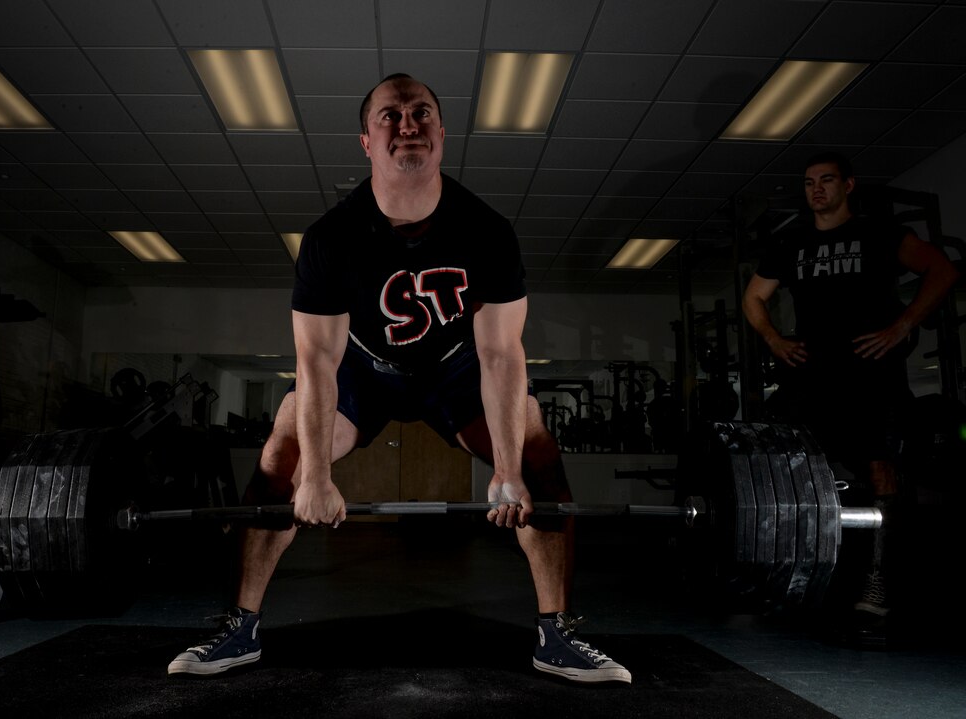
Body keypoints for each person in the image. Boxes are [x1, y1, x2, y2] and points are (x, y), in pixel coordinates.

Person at [167, 74, 631, 684]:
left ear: (442, 134)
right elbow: (317, 364)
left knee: (538, 444)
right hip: (365, 371)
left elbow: (500, 356)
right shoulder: (332, 238)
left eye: (422, 114)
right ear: (366, 139)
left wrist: (510, 472)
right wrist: (315, 476)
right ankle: (240, 627)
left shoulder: (487, 231)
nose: (407, 124)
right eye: (391, 115)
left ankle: (557, 634)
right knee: (286, 442)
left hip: (456, 370)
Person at [742, 151, 959, 634]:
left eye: (826, 180)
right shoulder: (792, 243)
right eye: (809, 182)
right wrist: (775, 339)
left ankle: (878, 583)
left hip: (871, 373)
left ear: (848, 185)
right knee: (795, 470)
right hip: (813, 375)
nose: (817, 189)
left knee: (881, 469)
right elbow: (753, 297)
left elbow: (942, 270)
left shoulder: (879, 234)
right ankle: (797, 576)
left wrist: (903, 325)